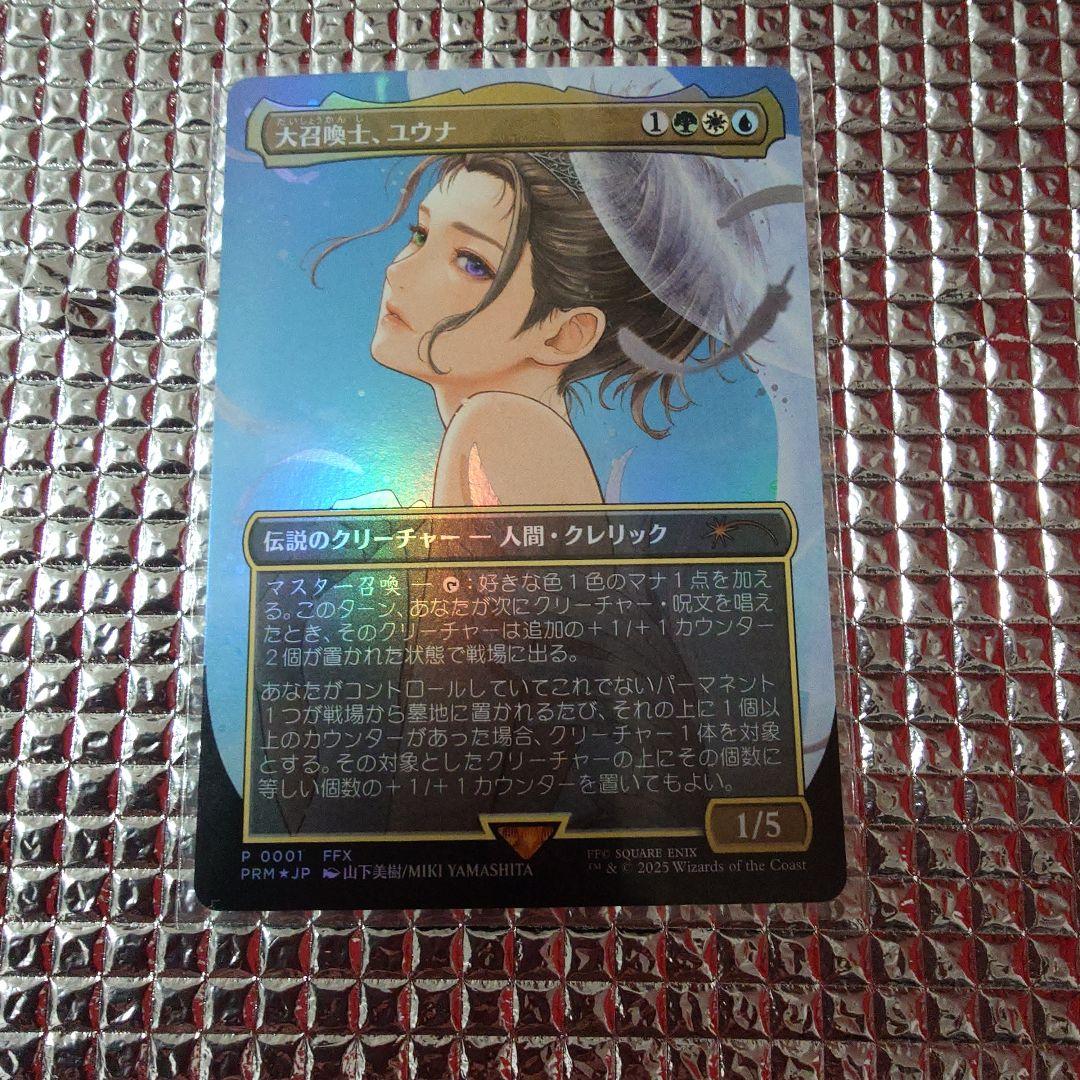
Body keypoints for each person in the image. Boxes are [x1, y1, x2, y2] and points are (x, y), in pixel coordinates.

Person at [310, 150, 783, 509]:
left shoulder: (499, 425)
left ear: (565, 334)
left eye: (472, 262)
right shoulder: (521, 436)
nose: (398, 272)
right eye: (421, 235)